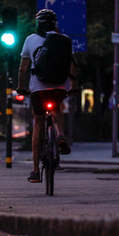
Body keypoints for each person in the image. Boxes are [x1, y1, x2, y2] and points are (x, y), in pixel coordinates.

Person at [17, 9, 78, 183]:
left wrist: (21, 87)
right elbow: (72, 67)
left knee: (38, 123)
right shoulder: (65, 40)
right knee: (57, 107)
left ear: (38, 24)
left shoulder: (30, 39)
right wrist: (73, 86)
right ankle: (60, 135)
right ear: (55, 24)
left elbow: (22, 69)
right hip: (60, 85)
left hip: (38, 87)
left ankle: (35, 171)